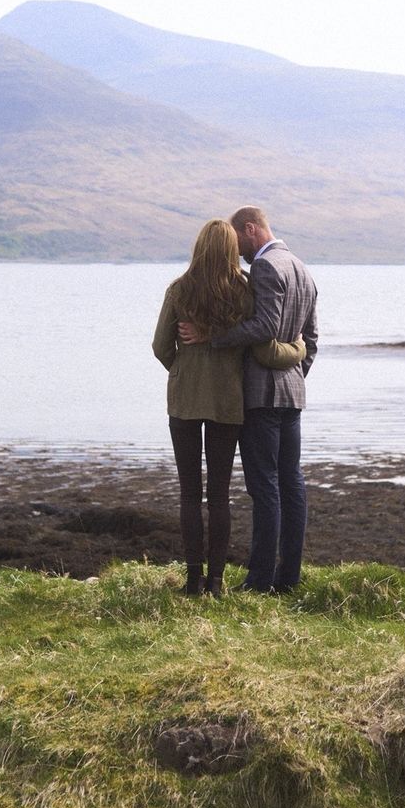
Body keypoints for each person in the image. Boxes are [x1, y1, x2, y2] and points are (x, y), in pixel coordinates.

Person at [152, 219, 305, 597]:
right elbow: (261, 340)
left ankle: (192, 581)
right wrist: (299, 349)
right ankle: (217, 582)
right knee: (219, 495)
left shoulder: (179, 289)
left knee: (190, 493)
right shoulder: (244, 291)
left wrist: (184, 370)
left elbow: (160, 346)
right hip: (228, 403)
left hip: (185, 401)